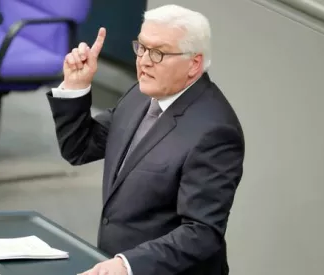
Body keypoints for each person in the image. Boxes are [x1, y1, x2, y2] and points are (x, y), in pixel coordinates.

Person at [46, 4, 244, 275]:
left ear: (194, 63)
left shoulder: (215, 133)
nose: (144, 61)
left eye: (159, 53)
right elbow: (80, 148)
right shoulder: (141, 93)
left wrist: (128, 265)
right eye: (142, 47)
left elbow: (202, 233)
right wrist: (76, 86)